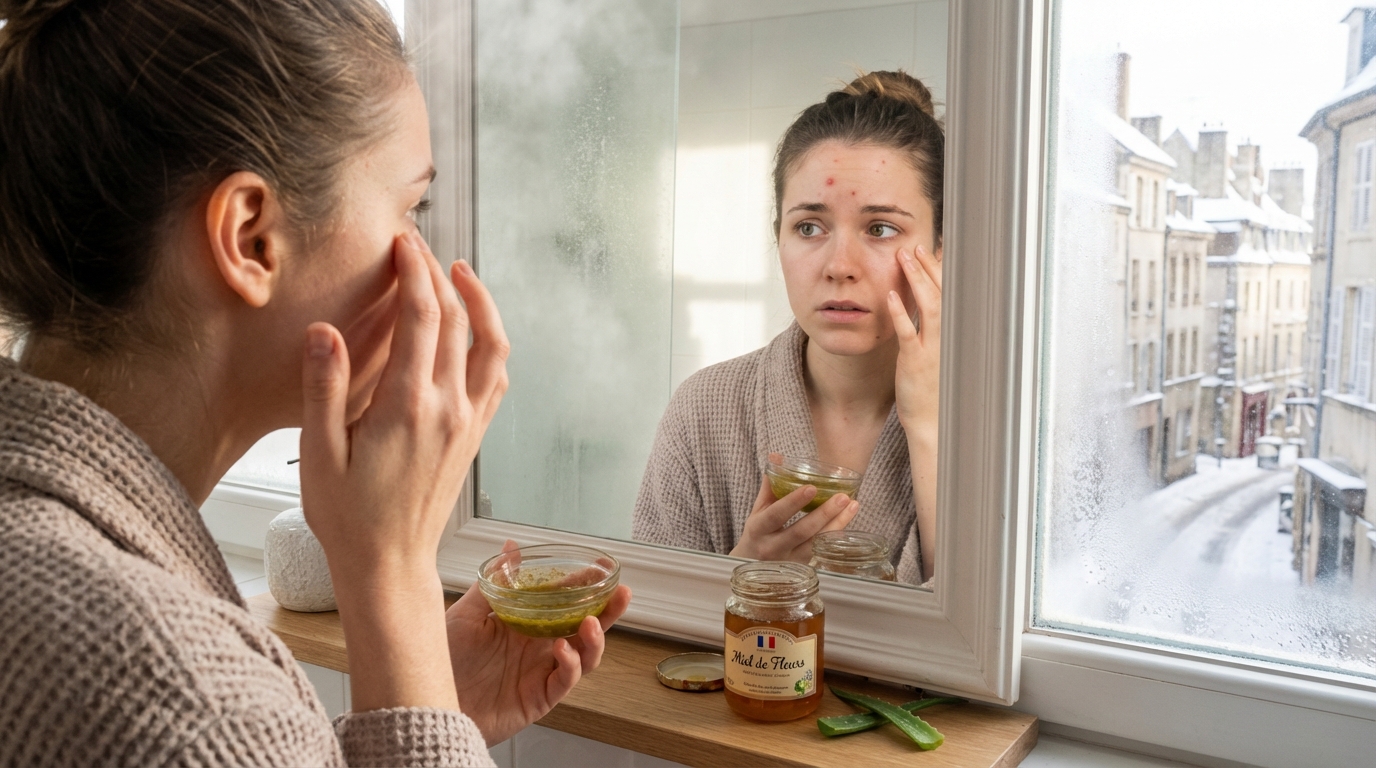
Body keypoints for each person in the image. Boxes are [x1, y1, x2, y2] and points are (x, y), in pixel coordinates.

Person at [0, 1, 628, 765]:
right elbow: (207, 735)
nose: (429, 266)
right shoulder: (179, 692)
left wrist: (423, 695)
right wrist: (391, 569)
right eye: (411, 207)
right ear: (251, 238)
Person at [632, 71, 944, 585]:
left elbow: (986, 640)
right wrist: (739, 576)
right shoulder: (702, 411)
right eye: (809, 227)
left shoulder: (991, 427)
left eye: (881, 228)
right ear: (778, 237)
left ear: (939, 249)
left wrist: (930, 429)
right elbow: (648, 622)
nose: (839, 265)